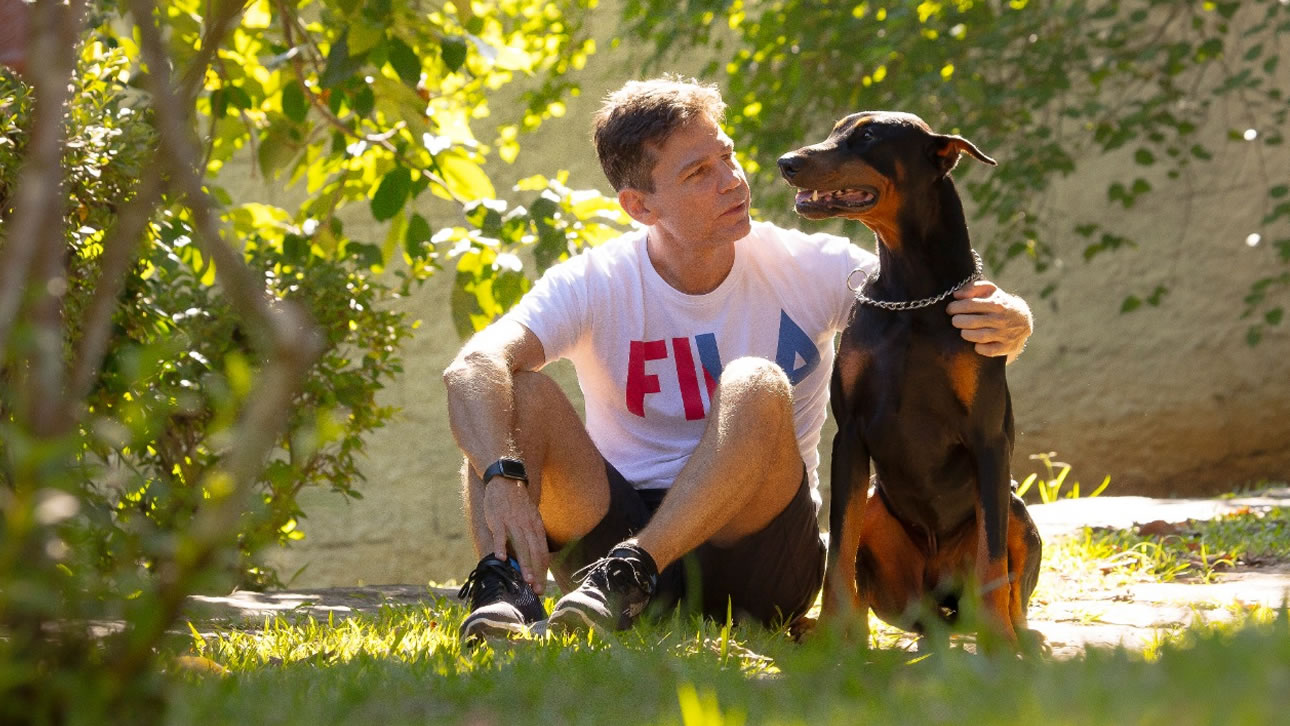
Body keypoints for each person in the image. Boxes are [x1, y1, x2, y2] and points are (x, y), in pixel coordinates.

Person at [442, 76, 1033, 640]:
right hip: (611, 552)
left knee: (755, 381)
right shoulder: (598, 281)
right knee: (509, 389)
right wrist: (502, 476)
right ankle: (504, 600)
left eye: (727, 156)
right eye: (700, 172)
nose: (733, 181)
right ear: (640, 206)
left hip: (759, 558)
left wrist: (1011, 315)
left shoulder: (812, 268)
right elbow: (473, 365)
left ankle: (637, 567)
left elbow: (924, 292)